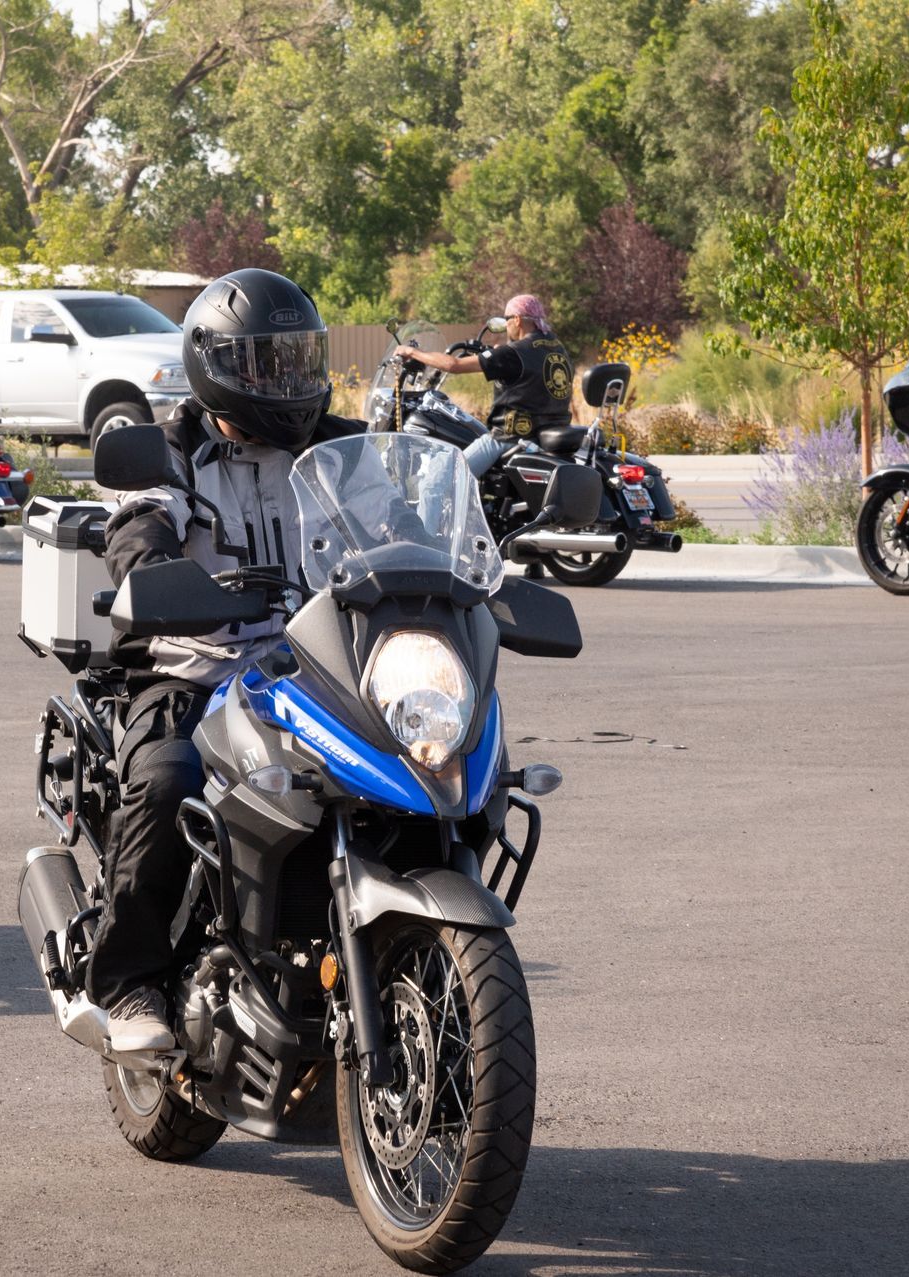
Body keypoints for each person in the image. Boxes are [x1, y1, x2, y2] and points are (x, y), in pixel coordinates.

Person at [92, 267, 364, 1051]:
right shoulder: (170, 450)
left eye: (298, 361)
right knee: (168, 779)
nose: (287, 383)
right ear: (213, 367)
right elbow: (140, 524)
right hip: (197, 668)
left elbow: (399, 517)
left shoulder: (343, 448)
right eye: (264, 365)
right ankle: (131, 980)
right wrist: (152, 568)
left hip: (320, 670)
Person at [392, 293, 575, 441]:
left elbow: (453, 365)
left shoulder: (513, 352)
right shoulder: (557, 347)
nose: (506, 326)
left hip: (510, 437)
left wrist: (412, 352)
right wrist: (498, 354)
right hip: (551, 429)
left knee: (457, 469)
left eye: (506, 319)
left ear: (517, 319)